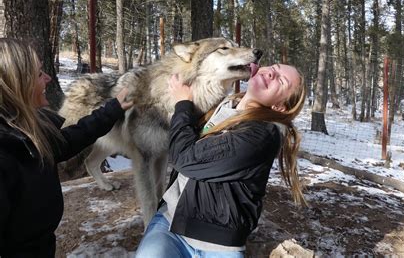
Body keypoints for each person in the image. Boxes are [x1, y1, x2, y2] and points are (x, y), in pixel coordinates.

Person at [136, 62, 307, 257]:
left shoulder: (263, 135)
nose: (271, 74)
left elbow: (185, 158)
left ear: (279, 106)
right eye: (273, 68)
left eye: (281, 80)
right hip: (169, 222)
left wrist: (182, 104)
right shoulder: (225, 106)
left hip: (218, 245)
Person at [0, 38, 133, 258]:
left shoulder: (23, 128)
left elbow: (67, 142)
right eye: (39, 73)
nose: (49, 78)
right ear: (18, 83)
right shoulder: (5, 152)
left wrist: (112, 110)